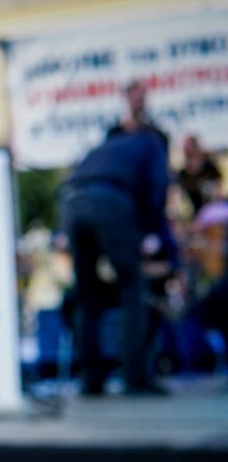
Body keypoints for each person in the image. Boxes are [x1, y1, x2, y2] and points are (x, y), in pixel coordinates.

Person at [60, 128, 170, 396]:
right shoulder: (152, 146)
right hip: (110, 203)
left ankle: (91, 380)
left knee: (86, 295)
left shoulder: (103, 148)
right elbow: (157, 189)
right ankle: (135, 377)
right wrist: (148, 230)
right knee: (133, 288)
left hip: (71, 203)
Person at [106, 79, 169, 152]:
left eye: (140, 97)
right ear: (127, 98)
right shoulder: (115, 135)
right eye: (134, 96)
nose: (137, 99)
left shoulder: (156, 135)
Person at [178, 134, 223, 215]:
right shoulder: (182, 173)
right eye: (185, 147)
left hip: (211, 212)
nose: (186, 149)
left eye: (189, 147)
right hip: (192, 214)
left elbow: (218, 190)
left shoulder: (209, 167)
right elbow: (179, 199)